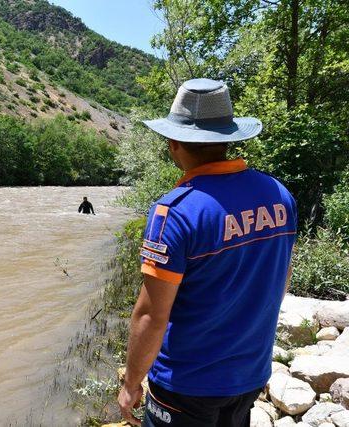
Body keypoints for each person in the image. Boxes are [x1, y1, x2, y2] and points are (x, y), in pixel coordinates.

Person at [117, 78, 297, 426]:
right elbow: (280, 279)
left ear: (173, 143)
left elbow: (151, 316)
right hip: (250, 374)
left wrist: (131, 384)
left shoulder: (175, 212)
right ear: (229, 138)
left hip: (186, 387)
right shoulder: (279, 194)